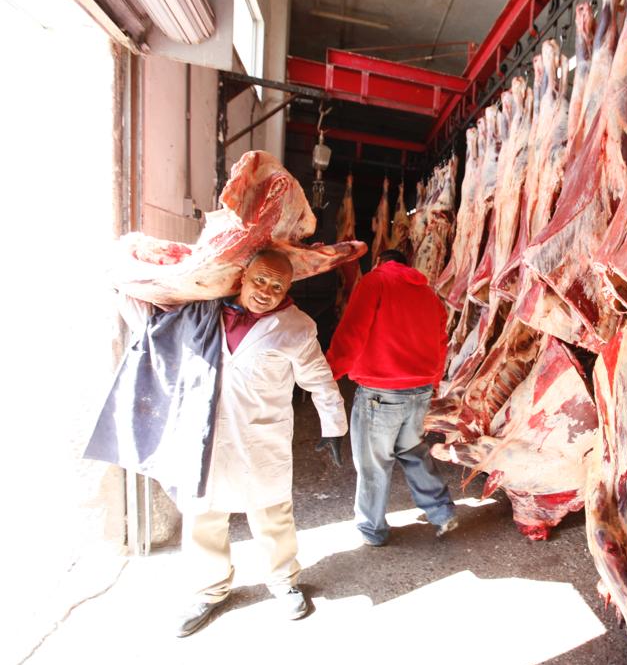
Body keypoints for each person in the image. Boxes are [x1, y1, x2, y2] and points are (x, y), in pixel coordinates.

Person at [86, 250, 347, 637]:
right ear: (243, 277)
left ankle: (283, 581)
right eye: (260, 280)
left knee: (272, 514)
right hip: (202, 435)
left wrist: (334, 428)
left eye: (277, 286)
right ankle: (208, 591)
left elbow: (319, 379)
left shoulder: (297, 326)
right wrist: (123, 280)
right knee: (203, 517)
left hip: (261, 438)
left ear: (287, 289)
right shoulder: (200, 314)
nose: (266, 291)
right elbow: (150, 326)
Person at [325, 249, 457, 547]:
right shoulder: (429, 295)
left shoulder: (375, 282)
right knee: (413, 452)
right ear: (407, 265)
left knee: (373, 463)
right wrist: (434, 384)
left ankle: (372, 529)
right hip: (419, 391)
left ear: (378, 263)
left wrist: (327, 373)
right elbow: (441, 343)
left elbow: (352, 332)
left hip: (381, 395)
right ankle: (442, 512)